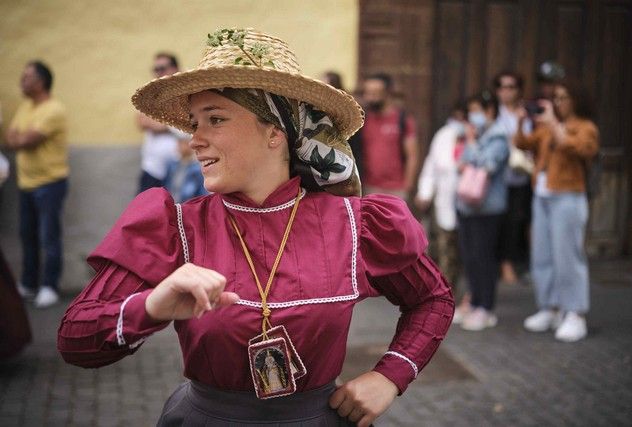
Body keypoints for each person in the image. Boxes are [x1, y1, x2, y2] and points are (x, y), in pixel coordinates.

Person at [58, 28, 454, 426]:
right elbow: (75, 339)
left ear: (274, 134)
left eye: (215, 119)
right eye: (194, 123)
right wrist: (151, 306)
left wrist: (390, 375)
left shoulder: (355, 224)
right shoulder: (176, 225)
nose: (194, 139)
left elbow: (433, 298)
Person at [516, 80, 599, 342]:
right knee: (542, 254)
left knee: (568, 256)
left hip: (568, 196)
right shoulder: (546, 126)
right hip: (542, 195)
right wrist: (522, 120)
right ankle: (550, 307)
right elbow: (523, 143)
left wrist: (554, 125)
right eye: (557, 98)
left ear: (576, 100)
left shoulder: (584, 127)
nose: (559, 103)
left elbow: (583, 149)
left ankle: (575, 313)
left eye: (564, 97)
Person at [5, 61, 68, 308]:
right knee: (27, 235)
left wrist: (19, 138)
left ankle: (50, 285)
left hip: (50, 184)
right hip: (26, 183)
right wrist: (19, 138)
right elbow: (11, 138)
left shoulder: (54, 109)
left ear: (41, 81)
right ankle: (29, 283)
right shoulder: (26, 106)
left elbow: (26, 141)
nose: (22, 80)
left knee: (48, 236)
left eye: (27, 76)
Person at [455, 91, 510, 331]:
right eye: (470, 112)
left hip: (488, 209)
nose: (472, 117)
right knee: (470, 258)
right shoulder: (475, 136)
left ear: (490, 111)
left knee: (484, 258)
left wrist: (473, 144)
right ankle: (473, 301)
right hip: (466, 206)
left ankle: (486, 308)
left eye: (477, 111)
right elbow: (462, 164)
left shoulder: (498, 137)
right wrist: (472, 147)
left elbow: (487, 164)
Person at [415, 100, 466, 289]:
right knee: (444, 248)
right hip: (445, 201)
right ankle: (445, 290)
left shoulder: (475, 138)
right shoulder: (444, 136)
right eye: (457, 117)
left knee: (464, 251)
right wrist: (424, 192)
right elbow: (432, 166)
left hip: (470, 203)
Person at [493, 71, 533, 285]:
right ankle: (501, 264)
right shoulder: (495, 113)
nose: (506, 91)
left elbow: (528, 141)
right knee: (499, 222)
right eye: (502, 86)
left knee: (517, 221)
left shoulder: (526, 112)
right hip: (499, 177)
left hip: (521, 176)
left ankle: (514, 262)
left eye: (511, 86)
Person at [136, 52, 190, 193]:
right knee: (145, 211)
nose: (158, 73)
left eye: (162, 68)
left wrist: (160, 123)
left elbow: (190, 125)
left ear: (175, 68)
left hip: (179, 167)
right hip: (152, 168)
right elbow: (142, 121)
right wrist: (174, 123)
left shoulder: (188, 93)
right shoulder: (150, 94)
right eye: (156, 70)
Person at [360, 73, 418, 199]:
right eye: (367, 93)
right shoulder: (362, 120)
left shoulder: (402, 119)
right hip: (368, 187)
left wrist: (408, 185)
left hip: (396, 189)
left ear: (387, 93)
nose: (370, 98)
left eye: (375, 93)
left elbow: (412, 156)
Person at [163, 138, 208, 203]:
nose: (179, 146)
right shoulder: (172, 164)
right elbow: (166, 183)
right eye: (179, 143)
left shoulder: (197, 168)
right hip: (172, 201)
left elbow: (202, 191)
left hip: (188, 204)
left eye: (183, 143)